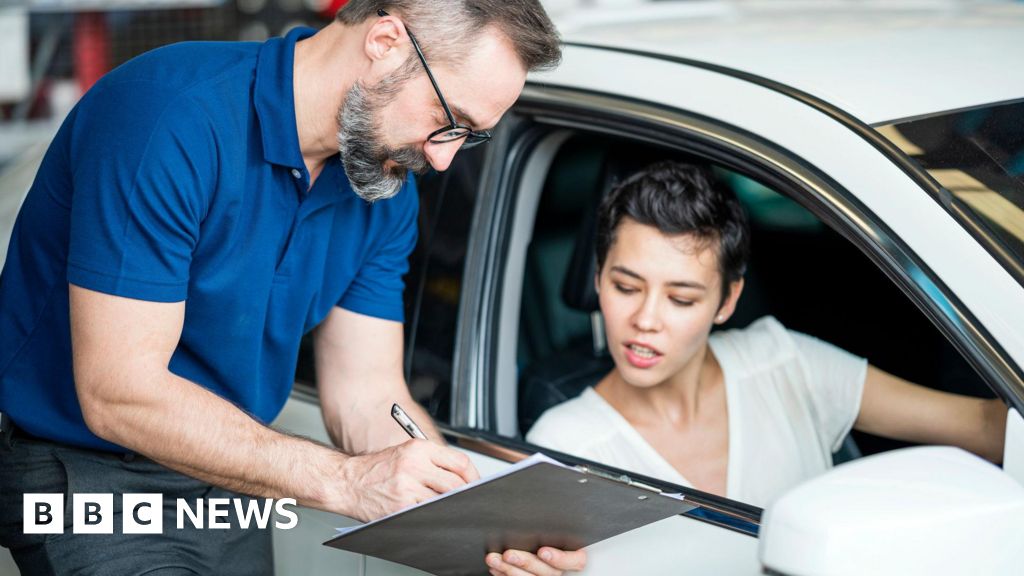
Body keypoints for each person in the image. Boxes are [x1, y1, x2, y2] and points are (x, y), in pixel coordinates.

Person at [0, 2, 585, 575]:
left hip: (231, 472)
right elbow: (120, 394)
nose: (443, 159)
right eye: (447, 119)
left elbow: (366, 392)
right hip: (88, 474)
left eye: (470, 137)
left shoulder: (384, 192)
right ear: (386, 43)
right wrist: (347, 481)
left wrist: (480, 522)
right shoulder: (169, 114)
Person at [527, 161, 1008, 508]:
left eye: (681, 299)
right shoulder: (564, 447)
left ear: (728, 301)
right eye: (626, 287)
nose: (646, 319)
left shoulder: (787, 364)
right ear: (597, 280)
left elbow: (988, 427)